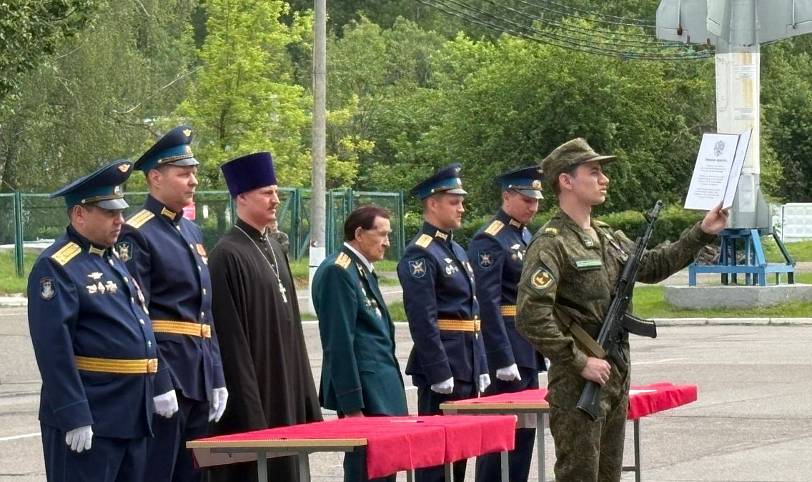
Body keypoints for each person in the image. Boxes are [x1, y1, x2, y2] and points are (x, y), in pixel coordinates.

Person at [516, 138, 728, 482]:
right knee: (579, 475)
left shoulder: (606, 237)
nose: (604, 179)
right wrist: (580, 361)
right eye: (594, 171)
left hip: (614, 376)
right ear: (566, 181)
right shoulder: (551, 243)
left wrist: (701, 232)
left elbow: (653, 265)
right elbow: (531, 317)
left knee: (608, 475)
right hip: (577, 382)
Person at [27, 160, 157, 482]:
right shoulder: (57, 267)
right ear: (79, 214)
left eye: (120, 211)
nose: (120, 221)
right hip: (93, 416)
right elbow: (53, 348)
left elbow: (141, 327)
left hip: (130, 414)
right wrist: (73, 413)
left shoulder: (112, 260)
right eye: (110, 213)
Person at [117, 126, 227, 482]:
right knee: (159, 472)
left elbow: (204, 311)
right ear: (154, 178)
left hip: (197, 371)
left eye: (193, 173)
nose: (193, 181)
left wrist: (217, 375)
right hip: (167, 372)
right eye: (183, 174)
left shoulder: (192, 232)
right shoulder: (137, 232)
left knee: (193, 475)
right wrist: (159, 380)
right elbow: (138, 316)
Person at [207, 151, 322, 482]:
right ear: (241, 197)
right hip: (255, 400)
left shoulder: (273, 245)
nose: (276, 200)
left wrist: (305, 402)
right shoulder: (226, 255)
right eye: (267, 193)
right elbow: (232, 344)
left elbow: (295, 331)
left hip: (285, 391)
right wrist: (250, 416)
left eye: (276, 191)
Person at [397, 163, 490, 482]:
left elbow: (472, 311)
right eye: (454, 201)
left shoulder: (456, 250)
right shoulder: (420, 254)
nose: (462, 208)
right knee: (436, 462)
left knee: (459, 456)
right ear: (433, 203)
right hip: (445, 368)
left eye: (461, 201)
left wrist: (481, 366)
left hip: (466, 364)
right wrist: (439, 370)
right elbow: (423, 319)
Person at [313, 205, 408, 482]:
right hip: (366, 393)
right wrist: (352, 405)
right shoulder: (338, 271)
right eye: (382, 234)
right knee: (367, 470)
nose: (387, 243)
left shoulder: (361, 269)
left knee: (385, 468)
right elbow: (339, 342)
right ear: (359, 233)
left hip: (381, 387)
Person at [468, 166, 546, 482]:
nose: (533, 206)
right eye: (527, 199)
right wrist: (501, 358)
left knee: (524, 434)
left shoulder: (525, 235)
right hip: (507, 349)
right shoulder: (490, 239)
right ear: (507, 196)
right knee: (500, 437)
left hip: (526, 345)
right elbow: (487, 304)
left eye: (536, 200)